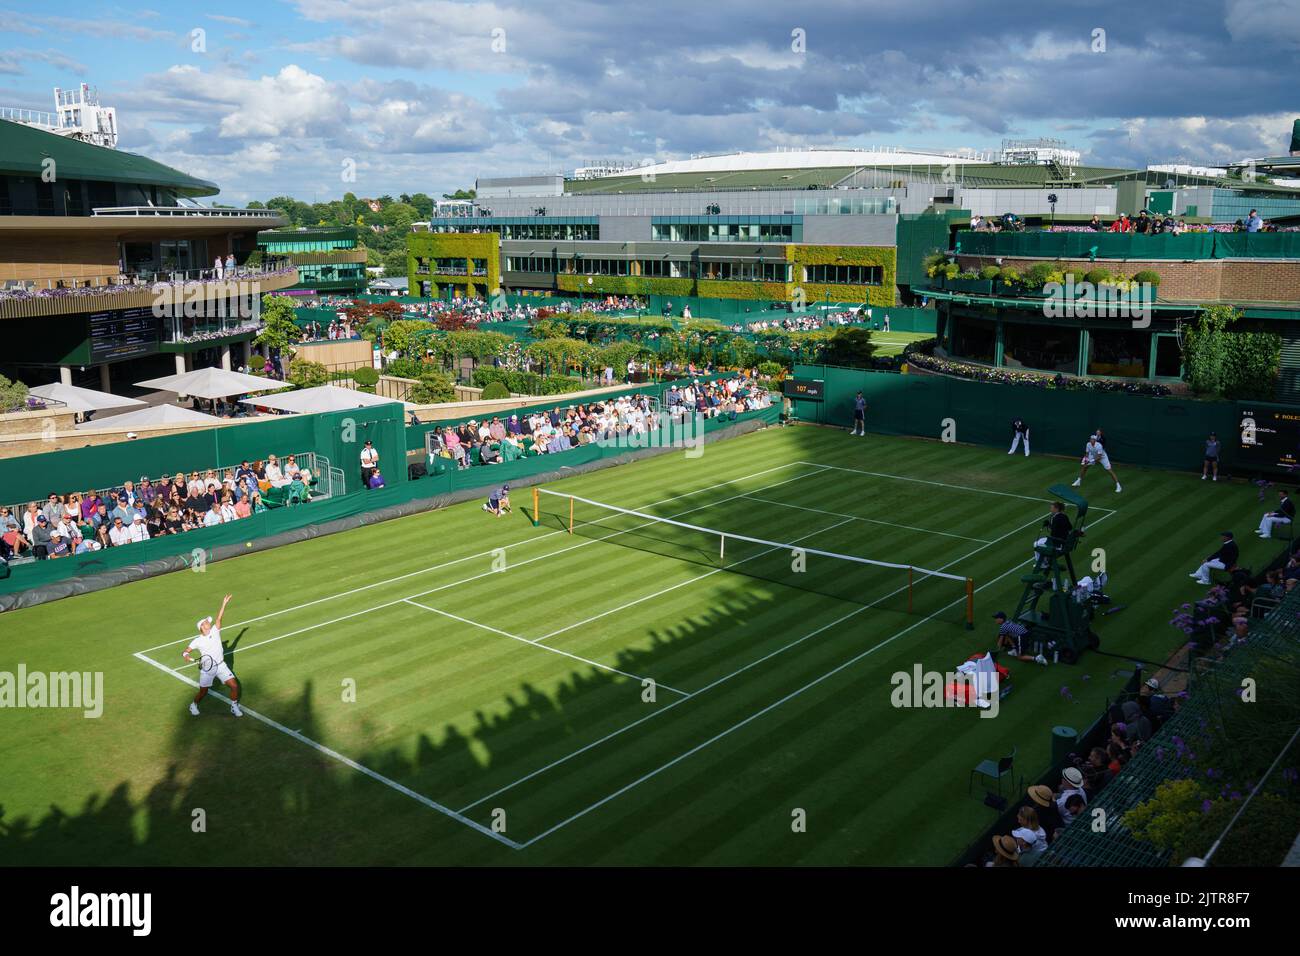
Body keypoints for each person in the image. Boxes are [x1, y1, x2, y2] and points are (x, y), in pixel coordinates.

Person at [182, 594, 242, 717]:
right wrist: (186, 655)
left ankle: (234, 706)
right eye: (206, 623)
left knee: (234, 686)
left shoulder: (215, 630)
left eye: (208, 622)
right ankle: (193, 705)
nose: (209, 623)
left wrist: (224, 603)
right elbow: (186, 650)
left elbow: (219, 619)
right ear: (202, 628)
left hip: (221, 666)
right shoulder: (197, 641)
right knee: (203, 692)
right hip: (208, 669)